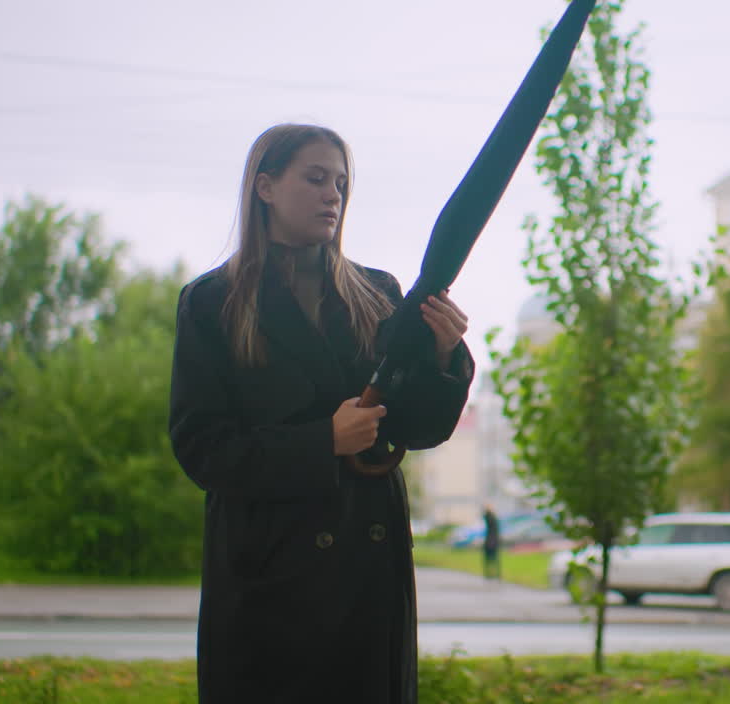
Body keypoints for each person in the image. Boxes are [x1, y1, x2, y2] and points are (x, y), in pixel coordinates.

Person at [168, 123, 474, 703]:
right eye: (314, 178)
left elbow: (419, 428)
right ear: (264, 186)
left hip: (368, 579)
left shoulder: (378, 293)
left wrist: (440, 355)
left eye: (340, 182)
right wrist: (322, 441)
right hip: (269, 583)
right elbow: (203, 450)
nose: (333, 194)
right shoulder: (211, 303)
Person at [482, 505, 501, 581]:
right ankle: (491, 574)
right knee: (491, 559)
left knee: (492, 559)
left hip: (492, 541)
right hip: (491, 541)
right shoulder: (490, 518)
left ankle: (493, 574)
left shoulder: (491, 518)